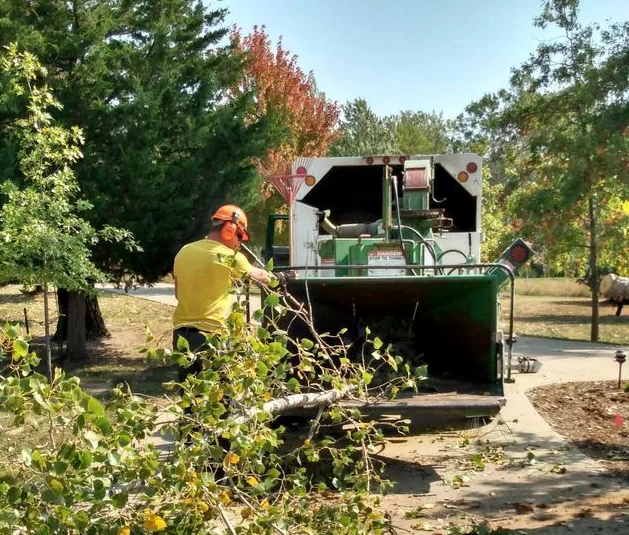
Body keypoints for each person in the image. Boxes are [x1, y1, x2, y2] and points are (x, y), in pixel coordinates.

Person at [172, 204, 275, 381]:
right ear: (229, 229)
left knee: (190, 397)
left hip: (181, 335)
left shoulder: (184, 251)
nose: (239, 243)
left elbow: (178, 294)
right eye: (240, 237)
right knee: (222, 399)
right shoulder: (230, 257)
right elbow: (262, 278)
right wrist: (283, 277)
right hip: (211, 336)